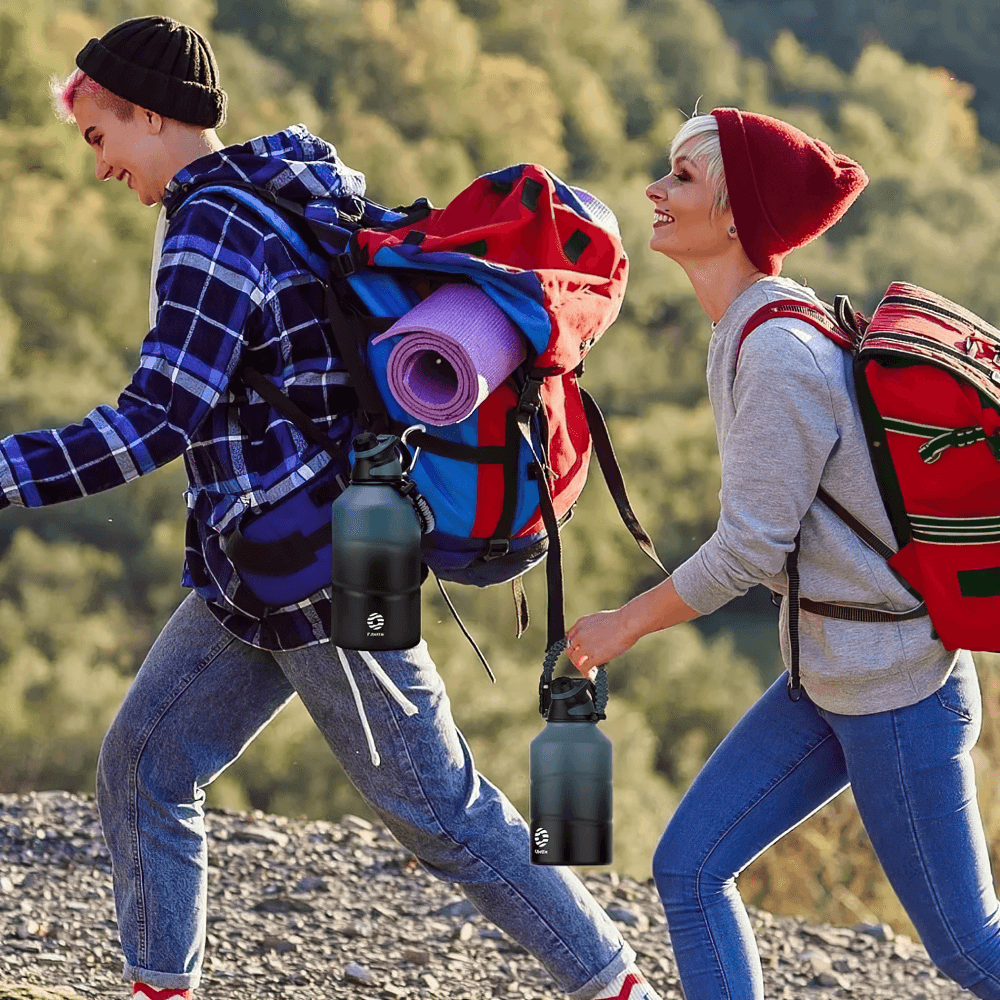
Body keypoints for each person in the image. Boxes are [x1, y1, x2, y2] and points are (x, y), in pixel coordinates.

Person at [28, 15, 664, 1000]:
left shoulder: (214, 222)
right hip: (255, 567)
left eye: (97, 135)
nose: (100, 163)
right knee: (142, 766)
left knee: (437, 810)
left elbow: (155, 422)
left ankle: (614, 985)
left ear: (150, 115)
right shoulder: (285, 187)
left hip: (326, 567)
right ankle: (161, 986)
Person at [566, 107, 1000, 999]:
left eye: (681, 178)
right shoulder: (747, 331)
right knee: (688, 871)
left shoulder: (779, 356)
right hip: (827, 676)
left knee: (968, 950)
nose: (654, 189)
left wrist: (623, 626)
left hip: (893, 694)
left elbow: (744, 551)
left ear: (736, 217)